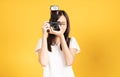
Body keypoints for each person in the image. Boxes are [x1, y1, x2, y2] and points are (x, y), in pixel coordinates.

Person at [35, 10, 80, 77]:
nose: (60, 27)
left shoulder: (71, 41)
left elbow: (69, 62)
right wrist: (44, 34)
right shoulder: (42, 41)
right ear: (51, 24)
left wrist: (61, 36)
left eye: (63, 24)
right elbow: (43, 63)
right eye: (58, 23)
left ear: (67, 25)